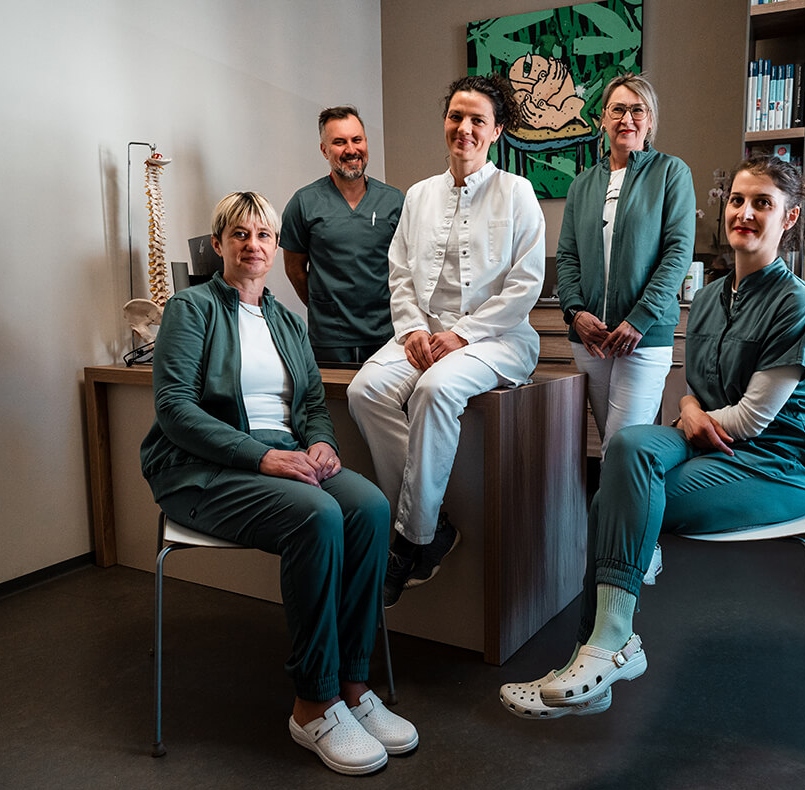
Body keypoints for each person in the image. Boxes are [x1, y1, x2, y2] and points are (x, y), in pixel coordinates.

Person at [500, 156, 805, 719]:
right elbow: (694, 391)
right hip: (708, 438)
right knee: (625, 446)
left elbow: (753, 419)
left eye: (762, 204)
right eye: (737, 200)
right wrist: (685, 407)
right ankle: (599, 655)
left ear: (790, 217)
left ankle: (602, 649)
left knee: (616, 499)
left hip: (774, 463)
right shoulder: (707, 298)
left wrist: (690, 415)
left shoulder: (798, 303)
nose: (744, 213)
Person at [140, 192, 416, 775]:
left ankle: (353, 686)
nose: (253, 244)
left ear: (275, 246)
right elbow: (175, 409)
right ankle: (313, 703)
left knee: (368, 507)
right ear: (218, 245)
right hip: (201, 468)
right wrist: (262, 457)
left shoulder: (288, 322)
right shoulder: (190, 309)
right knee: (317, 515)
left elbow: (311, 405)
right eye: (239, 234)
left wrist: (322, 444)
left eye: (263, 234)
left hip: (283, 458)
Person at [347, 74, 546, 609]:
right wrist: (414, 328)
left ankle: (411, 539)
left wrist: (463, 334)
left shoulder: (517, 192)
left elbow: (526, 283)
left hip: (497, 337)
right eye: (457, 116)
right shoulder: (419, 195)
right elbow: (399, 273)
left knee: (434, 391)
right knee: (365, 392)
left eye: (478, 120)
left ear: (497, 131)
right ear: (445, 121)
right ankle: (432, 526)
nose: (465, 128)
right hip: (425, 333)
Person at [556, 73, 695, 460]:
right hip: (591, 339)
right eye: (617, 109)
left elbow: (677, 252)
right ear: (602, 118)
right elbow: (567, 256)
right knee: (612, 445)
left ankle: (621, 503)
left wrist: (639, 319)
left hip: (643, 337)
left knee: (622, 448)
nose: (627, 119)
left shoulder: (671, 173)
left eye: (637, 110)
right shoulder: (582, 185)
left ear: (650, 120)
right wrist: (575, 313)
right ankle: (623, 500)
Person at [281, 106, 404, 365]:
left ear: (366, 142)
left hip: (386, 334)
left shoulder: (394, 201)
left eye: (357, 140)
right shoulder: (304, 203)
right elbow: (294, 269)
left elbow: (409, 268)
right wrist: (323, 307)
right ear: (324, 150)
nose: (351, 150)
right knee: (334, 392)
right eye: (339, 142)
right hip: (330, 337)